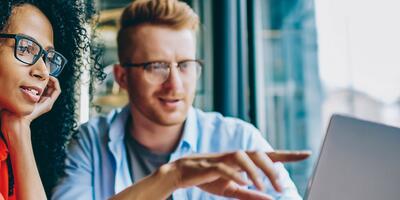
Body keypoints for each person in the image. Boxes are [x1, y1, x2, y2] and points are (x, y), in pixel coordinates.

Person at [52, 0, 309, 199]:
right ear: (123, 77)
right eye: (156, 66)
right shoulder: (90, 143)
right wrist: (172, 177)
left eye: (185, 65)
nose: (174, 84)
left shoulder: (240, 140)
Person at [0, 0, 103, 199]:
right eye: (25, 48)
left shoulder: (7, 149)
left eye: (48, 58)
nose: (43, 72)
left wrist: (19, 128)